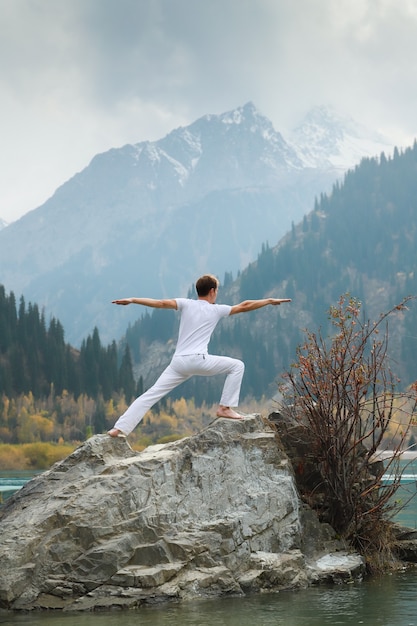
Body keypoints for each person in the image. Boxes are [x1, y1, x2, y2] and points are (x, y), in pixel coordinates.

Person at [108, 274, 291, 437]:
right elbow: (244, 306)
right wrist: (268, 300)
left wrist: (132, 299)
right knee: (237, 366)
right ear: (212, 291)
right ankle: (225, 408)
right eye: (216, 291)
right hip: (197, 360)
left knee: (151, 394)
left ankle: (119, 428)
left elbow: (161, 303)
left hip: (178, 363)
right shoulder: (216, 309)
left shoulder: (186, 304)